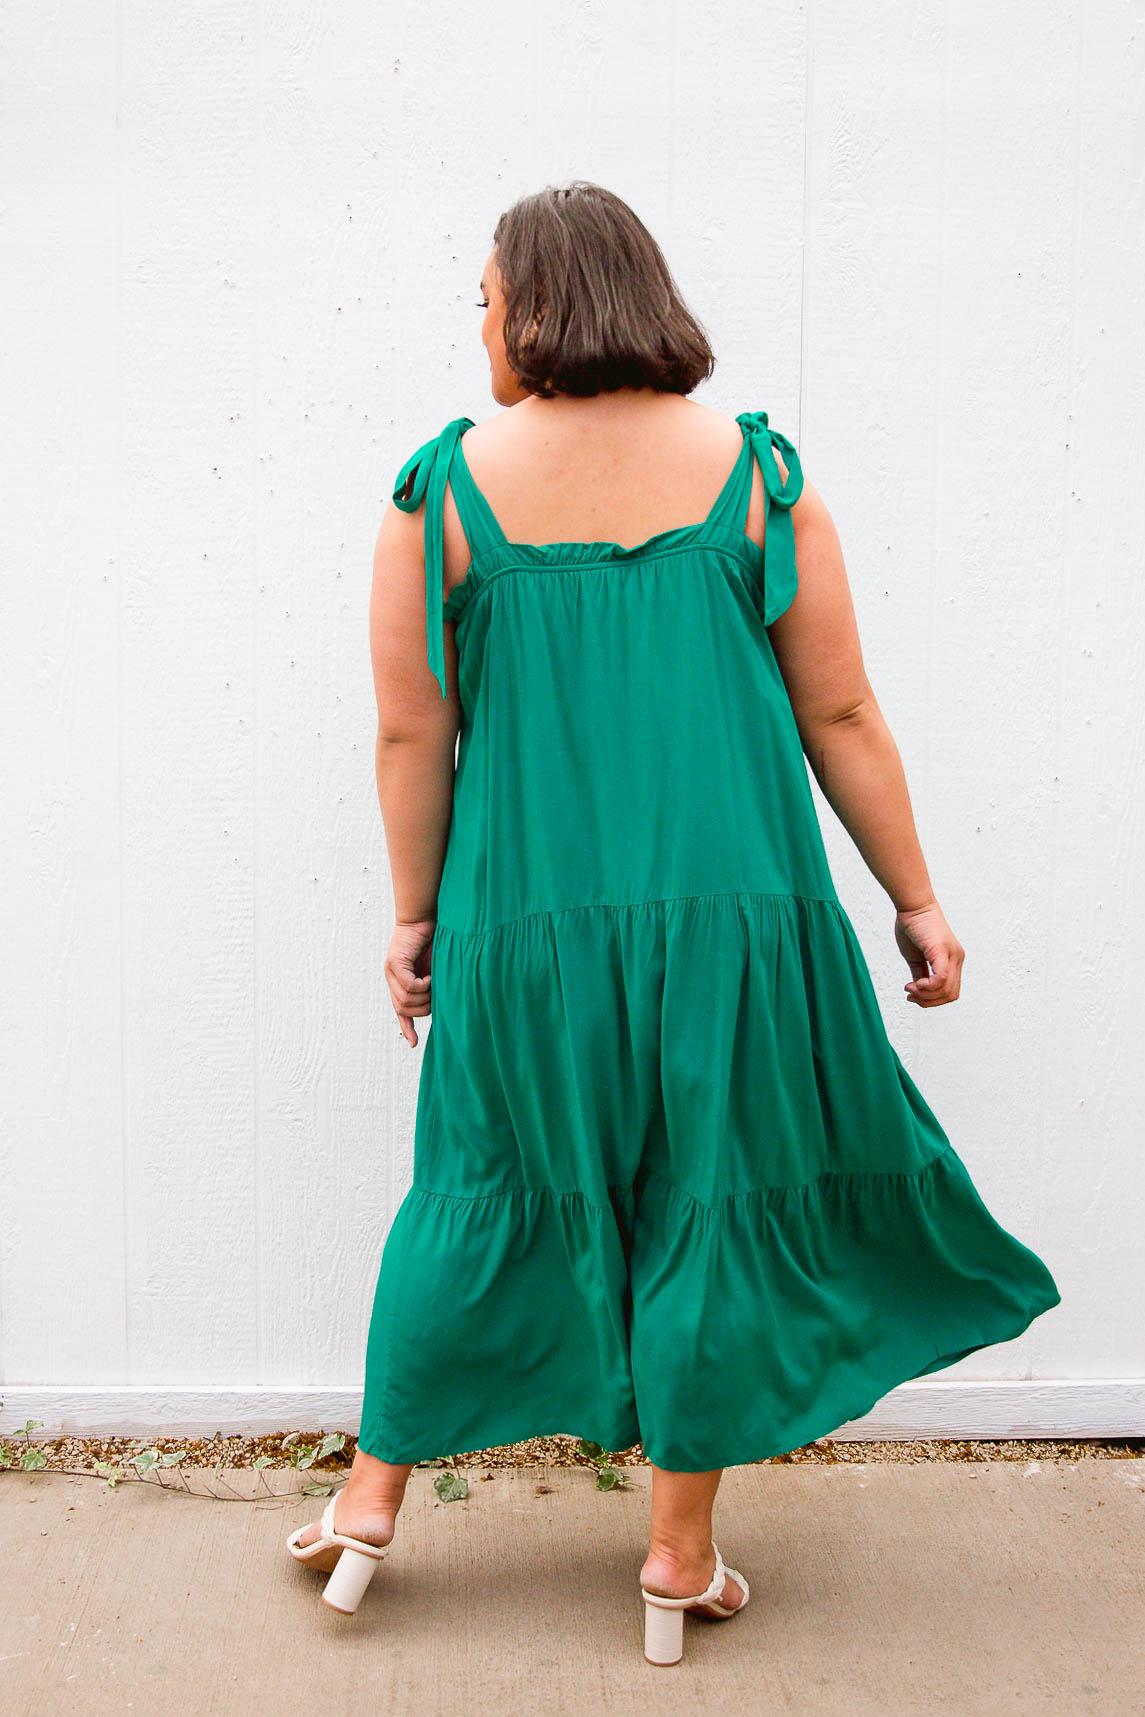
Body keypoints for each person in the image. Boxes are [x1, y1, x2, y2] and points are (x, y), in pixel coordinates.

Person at [287, 181, 1061, 1659]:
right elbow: (840, 710)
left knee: (481, 1184)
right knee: (712, 1194)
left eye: (484, 298)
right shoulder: (759, 478)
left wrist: (412, 918)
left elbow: (410, 735)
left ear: (535, 306)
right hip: (740, 927)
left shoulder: (438, 495)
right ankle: (675, 1553)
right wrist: (913, 896)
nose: (478, 325)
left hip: (524, 923)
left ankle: (372, 1503)